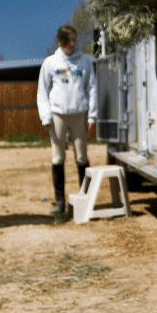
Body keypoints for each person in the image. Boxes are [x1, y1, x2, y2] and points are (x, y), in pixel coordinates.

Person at [36, 25, 98, 215]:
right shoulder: (50, 62)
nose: (71, 44)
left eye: (74, 40)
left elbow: (92, 88)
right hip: (57, 116)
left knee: (81, 157)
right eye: (67, 40)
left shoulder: (85, 61)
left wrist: (92, 115)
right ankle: (59, 202)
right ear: (59, 41)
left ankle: (84, 199)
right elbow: (42, 92)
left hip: (79, 114)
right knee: (58, 157)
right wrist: (45, 116)